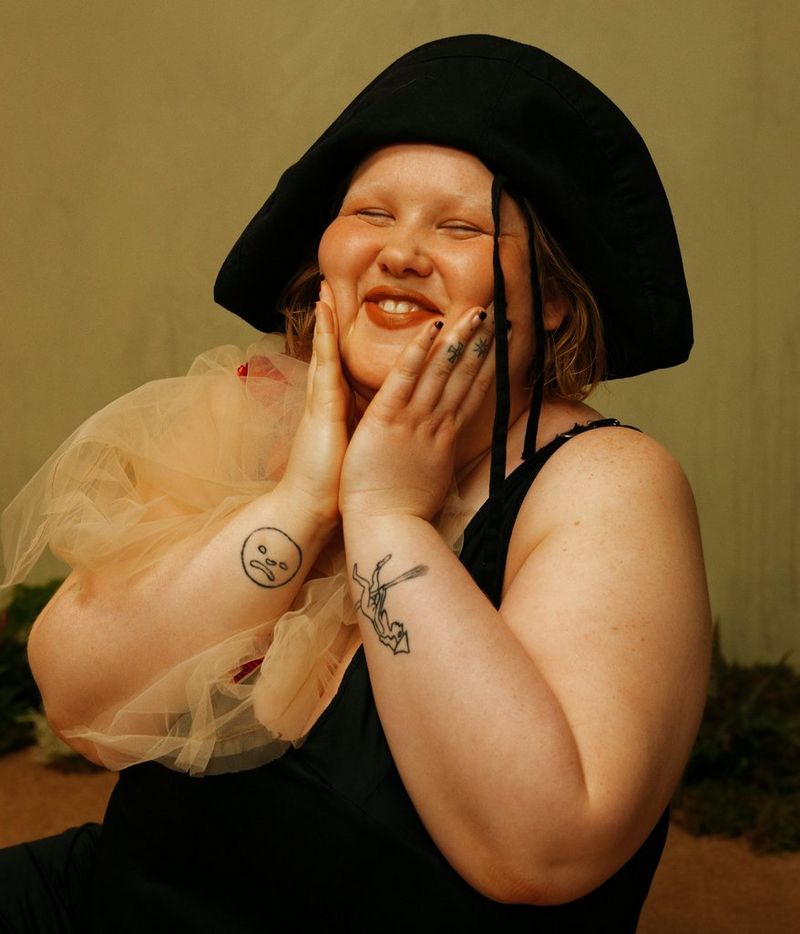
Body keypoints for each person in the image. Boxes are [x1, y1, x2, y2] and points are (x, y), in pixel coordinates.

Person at [0, 35, 710, 932]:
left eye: (460, 228)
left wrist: (385, 514)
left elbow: (543, 852)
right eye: (372, 213)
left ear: (558, 296)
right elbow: (78, 702)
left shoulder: (606, 483)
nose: (401, 253)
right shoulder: (245, 406)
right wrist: (302, 502)